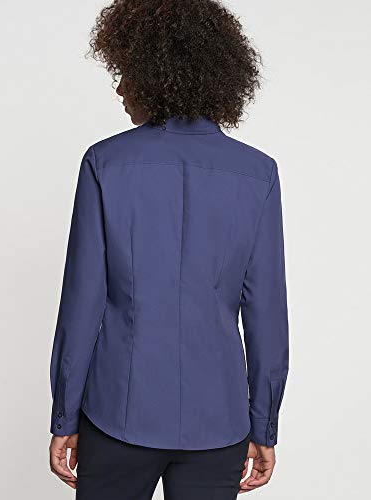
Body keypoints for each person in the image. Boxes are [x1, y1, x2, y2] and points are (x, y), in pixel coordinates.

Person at [48, 1, 289, 498]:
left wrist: (65, 415)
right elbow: (266, 314)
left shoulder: (104, 163)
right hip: (219, 422)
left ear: (152, 74)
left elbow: (81, 305)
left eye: (125, 72)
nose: (120, 88)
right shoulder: (257, 174)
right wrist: (264, 424)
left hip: (117, 414)